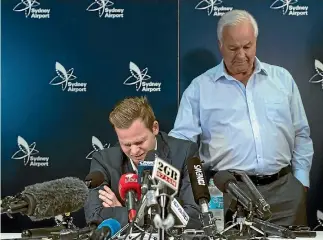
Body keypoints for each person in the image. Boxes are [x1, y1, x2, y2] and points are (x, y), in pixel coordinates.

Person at [169, 9, 313, 226]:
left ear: (255, 41)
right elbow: (181, 145)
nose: (241, 55)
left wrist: (301, 181)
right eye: (233, 48)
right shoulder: (199, 88)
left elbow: (301, 133)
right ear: (220, 45)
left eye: (247, 47)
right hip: (229, 195)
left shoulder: (282, 79)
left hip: (285, 195)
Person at [84, 96, 202, 229]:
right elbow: (94, 215)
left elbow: (193, 214)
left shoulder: (184, 152)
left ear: (155, 128)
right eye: (126, 144)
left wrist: (128, 212)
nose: (134, 151)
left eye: (140, 142)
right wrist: (150, 216)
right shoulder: (104, 161)